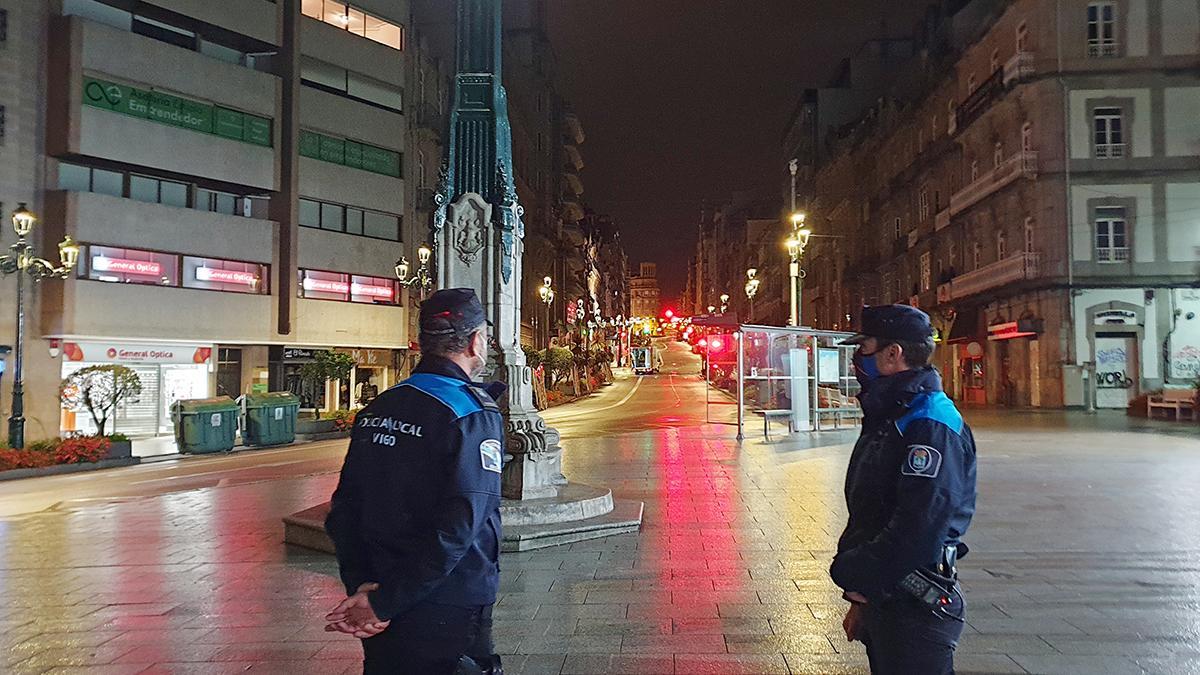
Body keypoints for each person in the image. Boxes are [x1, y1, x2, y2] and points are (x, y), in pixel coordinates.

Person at [323, 288, 505, 675]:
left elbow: (343, 511)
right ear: (475, 342)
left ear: (424, 343)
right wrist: (385, 602)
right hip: (448, 601)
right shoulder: (470, 413)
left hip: (380, 594)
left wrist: (365, 591)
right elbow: (460, 526)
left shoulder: (379, 407)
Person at [830, 304, 978, 675]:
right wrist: (864, 600)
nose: (856, 360)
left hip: (915, 605)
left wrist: (855, 572)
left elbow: (919, 528)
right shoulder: (895, 413)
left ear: (892, 354)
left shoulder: (930, 423)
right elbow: (877, 510)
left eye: (864, 349)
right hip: (890, 596)